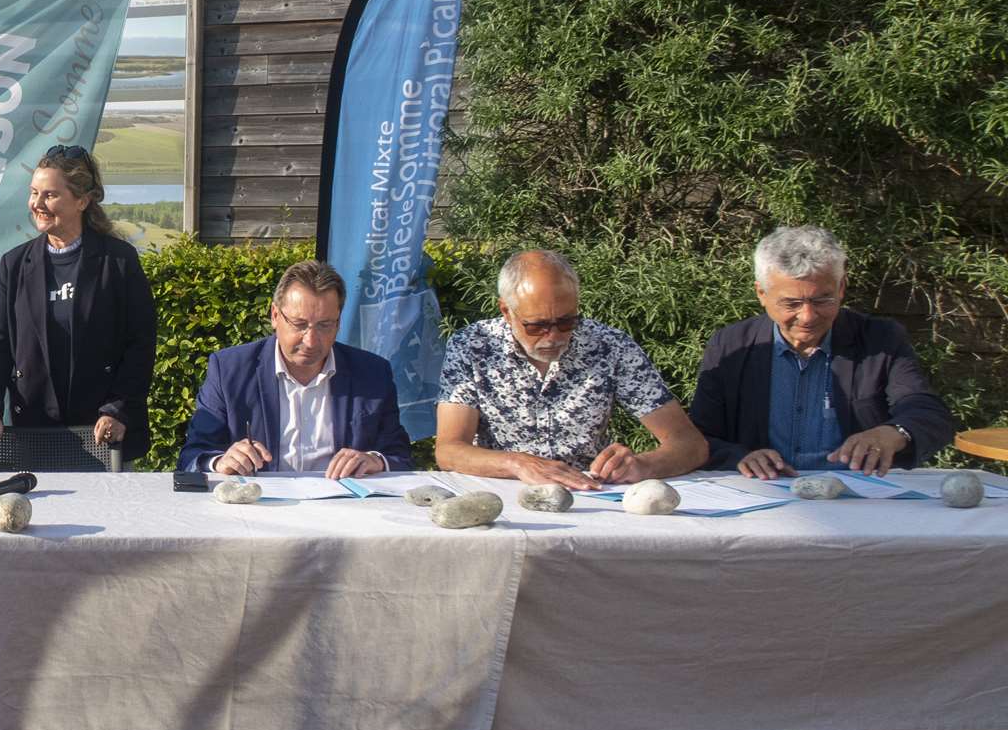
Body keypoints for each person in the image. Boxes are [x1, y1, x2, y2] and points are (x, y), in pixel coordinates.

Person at [690, 226, 953, 478]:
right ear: (762, 293)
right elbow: (699, 437)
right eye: (791, 303)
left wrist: (894, 433)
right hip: (766, 491)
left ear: (841, 288)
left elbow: (928, 412)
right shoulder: (733, 344)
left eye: (822, 300)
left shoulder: (878, 339)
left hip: (855, 495)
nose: (807, 316)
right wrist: (739, 457)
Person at [435, 250, 707, 488]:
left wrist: (644, 465)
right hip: (501, 491)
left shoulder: (610, 346)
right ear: (507, 311)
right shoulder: (473, 345)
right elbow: (449, 450)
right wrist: (516, 464)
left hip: (588, 494)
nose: (553, 337)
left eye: (566, 322)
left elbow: (689, 444)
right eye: (537, 325)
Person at [0, 144, 158, 461]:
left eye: (50, 195)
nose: (37, 204)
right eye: (34, 193)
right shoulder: (14, 265)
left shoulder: (118, 261)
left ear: (82, 201)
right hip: (34, 433)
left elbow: (140, 344)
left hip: (105, 435)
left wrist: (118, 409)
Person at [178, 260, 412, 476]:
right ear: (275, 316)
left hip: (343, 508)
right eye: (299, 325)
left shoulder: (372, 373)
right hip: (258, 508)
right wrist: (220, 462)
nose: (311, 340)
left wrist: (375, 460)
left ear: (339, 322)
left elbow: (399, 455)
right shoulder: (229, 370)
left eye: (324, 325)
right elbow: (193, 456)